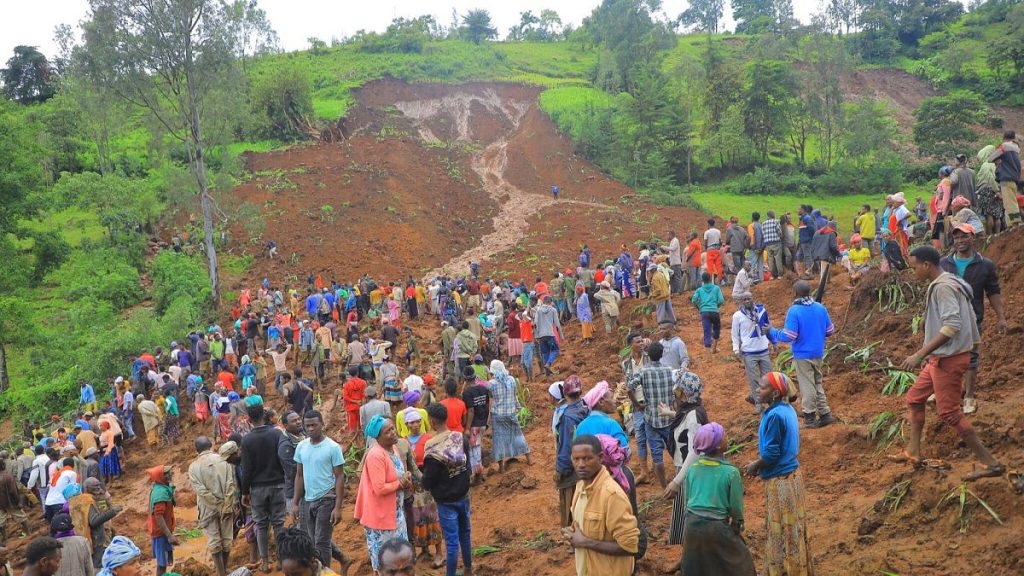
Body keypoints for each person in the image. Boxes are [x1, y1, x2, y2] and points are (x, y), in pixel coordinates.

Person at [894, 246, 1005, 482]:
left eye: (915, 266)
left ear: (927, 265)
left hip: (948, 359)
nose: (913, 272)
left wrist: (919, 354)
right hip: (940, 358)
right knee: (914, 399)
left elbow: (952, 325)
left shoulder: (943, 287)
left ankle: (991, 463)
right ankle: (913, 451)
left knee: (950, 414)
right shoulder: (950, 280)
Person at [743, 372, 813, 576]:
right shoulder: (786, 409)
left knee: (782, 530)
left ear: (774, 394)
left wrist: (755, 465)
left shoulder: (773, 416)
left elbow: (772, 454)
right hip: (793, 475)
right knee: (794, 528)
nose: (757, 389)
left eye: (762, 387)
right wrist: (760, 402)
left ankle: (785, 571)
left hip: (780, 481)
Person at [939, 223, 1008, 415]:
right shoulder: (944, 263)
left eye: (964, 237)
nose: (960, 241)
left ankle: (969, 396)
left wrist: (1001, 317)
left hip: (973, 317)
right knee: (944, 353)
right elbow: (936, 290)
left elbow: (993, 292)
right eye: (957, 237)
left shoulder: (985, 265)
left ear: (973, 237)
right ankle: (946, 392)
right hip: (947, 317)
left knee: (971, 356)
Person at [678, 423, 756, 575]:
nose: (727, 438)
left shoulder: (693, 469)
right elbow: (736, 508)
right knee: (741, 562)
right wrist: (737, 525)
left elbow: (687, 501)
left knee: (696, 566)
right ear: (719, 445)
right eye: (724, 436)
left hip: (692, 526)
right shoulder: (731, 473)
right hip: (716, 528)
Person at [562, 435, 640, 576]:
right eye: (576, 459)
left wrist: (585, 542)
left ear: (601, 457)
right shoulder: (580, 488)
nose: (580, 464)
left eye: (587, 458)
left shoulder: (612, 495)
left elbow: (630, 546)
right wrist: (573, 538)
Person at [770, 281, 838, 429]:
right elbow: (830, 331)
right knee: (817, 381)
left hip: (803, 354)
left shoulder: (794, 311)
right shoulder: (820, 308)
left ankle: (810, 416)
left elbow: (789, 335)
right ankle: (825, 413)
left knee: (807, 383)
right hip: (818, 352)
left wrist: (772, 331)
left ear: (795, 294)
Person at [292, 411, 351, 576]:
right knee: (312, 540)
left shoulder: (332, 447)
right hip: (307, 500)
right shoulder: (302, 447)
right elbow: (299, 475)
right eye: (307, 425)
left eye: (314, 425)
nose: (310, 428)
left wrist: (338, 507)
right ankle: (340, 561)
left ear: (322, 424)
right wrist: (295, 503)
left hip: (326, 498)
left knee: (322, 542)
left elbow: (340, 477)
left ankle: (324, 573)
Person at [420, 404, 473, 576]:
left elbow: (428, 481)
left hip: (446, 501)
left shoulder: (431, 447)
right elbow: (468, 466)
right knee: (465, 534)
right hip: (464, 495)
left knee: (451, 543)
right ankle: (467, 569)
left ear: (432, 421)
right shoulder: (460, 437)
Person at [354, 416, 411, 574]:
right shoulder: (376, 455)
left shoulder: (394, 450)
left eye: (393, 428)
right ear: (378, 437)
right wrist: (401, 483)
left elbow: (398, 474)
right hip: (380, 518)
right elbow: (379, 488)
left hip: (395, 513)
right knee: (385, 561)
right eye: (387, 431)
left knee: (398, 557)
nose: (393, 433)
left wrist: (405, 478)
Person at [660, 371, 709, 547]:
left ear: (684, 394)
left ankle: (689, 557)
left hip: (688, 471)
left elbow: (695, 451)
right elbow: (686, 421)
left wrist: (677, 481)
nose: (675, 394)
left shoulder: (693, 416)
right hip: (686, 470)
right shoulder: (693, 410)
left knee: (688, 516)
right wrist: (669, 413)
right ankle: (686, 556)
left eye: (678, 391)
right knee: (684, 515)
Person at [240, 404, 287, 572]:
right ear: (264, 415)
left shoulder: (246, 440)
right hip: (278, 484)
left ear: (249, 419)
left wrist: (245, 492)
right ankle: (281, 560)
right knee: (279, 524)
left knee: (261, 525)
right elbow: (283, 459)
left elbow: (247, 470)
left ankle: (265, 562)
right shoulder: (276, 434)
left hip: (257, 488)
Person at [398, 409, 443, 569]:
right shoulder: (403, 442)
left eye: (417, 421)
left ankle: (438, 552)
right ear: (406, 424)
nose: (415, 425)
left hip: (427, 481)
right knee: (415, 517)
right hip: (411, 486)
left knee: (431, 515)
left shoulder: (428, 439)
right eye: (412, 422)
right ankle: (423, 548)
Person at [627, 343, 675, 488]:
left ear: (649, 354)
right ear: (662, 354)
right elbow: (678, 388)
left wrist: (637, 405)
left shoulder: (643, 371)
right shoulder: (669, 370)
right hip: (668, 416)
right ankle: (681, 479)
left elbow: (629, 387)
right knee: (674, 450)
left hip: (651, 418)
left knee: (657, 455)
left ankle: (664, 487)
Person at [187, 437, 237, 576]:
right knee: (227, 539)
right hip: (226, 505)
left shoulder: (193, 467)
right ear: (211, 445)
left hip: (207, 508)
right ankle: (224, 569)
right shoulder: (223, 460)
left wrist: (215, 503)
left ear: (196, 450)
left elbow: (201, 491)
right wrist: (225, 503)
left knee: (214, 540)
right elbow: (230, 483)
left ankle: (220, 572)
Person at [732, 294, 774, 413]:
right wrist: (736, 350)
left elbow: (768, 327)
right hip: (748, 352)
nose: (747, 301)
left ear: (753, 299)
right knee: (754, 379)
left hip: (763, 350)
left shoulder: (762, 311)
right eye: (744, 299)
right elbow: (735, 334)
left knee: (768, 378)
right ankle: (758, 404)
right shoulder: (737, 316)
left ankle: (770, 401)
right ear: (741, 302)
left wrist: (774, 342)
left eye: (749, 298)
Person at [487, 361, 531, 472]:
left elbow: (491, 400)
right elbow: (514, 395)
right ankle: (529, 459)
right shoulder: (511, 380)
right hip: (511, 413)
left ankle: (501, 468)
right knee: (518, 436)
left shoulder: (491, 384)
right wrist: (518, 407)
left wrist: (488, 418)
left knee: (499, 440)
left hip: (498, 415)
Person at [986, 130, 1023, 226]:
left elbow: (990, 159)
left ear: (1004, 137)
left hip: (1006, 179)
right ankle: (1010, 225)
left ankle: (1015, 224)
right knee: (1010, 202)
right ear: (1013, 137)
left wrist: (997, 160)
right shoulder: (1016, 148)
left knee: (1009, 204)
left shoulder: (1004, 146)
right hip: (1014, 180)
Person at [575, 381, 627, 448]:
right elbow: (625, 451)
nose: (614, 401)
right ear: (601, 401)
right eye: (611, 398)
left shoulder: (580, 427)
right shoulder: (611, 424)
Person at [146, 466, 177, 576]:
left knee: (163, 562)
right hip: (161, 533)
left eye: (170, 473)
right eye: (166, 474)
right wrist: (169, 536)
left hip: (162, 531)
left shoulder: (162, 488)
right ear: (159, 477)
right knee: (162, 564)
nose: (170, 475)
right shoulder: (160, 493)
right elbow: (159, 517)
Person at [691, 272, 725, 357]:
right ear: (710, 279)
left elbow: (694, 300)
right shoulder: (716, 288)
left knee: (707, 331)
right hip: (714, 311)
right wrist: (716, 306)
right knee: (717, 328)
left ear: (702, 280)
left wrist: (699, 307)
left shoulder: (699, 290)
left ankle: (708, 354)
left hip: (704, 312)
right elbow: (721, 300)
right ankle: (714, 348)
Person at [533, 296, 563, 376]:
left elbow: (535, 323)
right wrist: (561, 336)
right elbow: (557, 324)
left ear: (543, 302)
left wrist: (536, 335)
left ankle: (547, 374)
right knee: (555, 350)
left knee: (545, 353)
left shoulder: (538, 310)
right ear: (550, 302)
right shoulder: (553, 310)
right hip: (550, 334)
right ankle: (548, 364)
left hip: (541, 336)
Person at [0, 460, 28, 540]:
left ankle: (5, 536)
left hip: (1, 504)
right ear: (3, 465)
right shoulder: (8, 476)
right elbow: (13, 491)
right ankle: (27, 532)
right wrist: (18, 501)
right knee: (21, 517)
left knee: (0, 521)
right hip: (10, 502)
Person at [648, 261, 675, 325]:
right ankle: (673, 322)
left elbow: (658, 290)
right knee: (670, 311)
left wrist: (652, 295)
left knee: (660, 313)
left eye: (650, 271)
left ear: (652, 270)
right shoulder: (661, 274)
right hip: (666, 295)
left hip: (660, 298)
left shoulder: (654, 278)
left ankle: (661, 325)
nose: (649, 272)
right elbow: (667, 283)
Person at [703, 219, 723, 285]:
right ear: (714, 224)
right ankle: (719, 280)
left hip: (710, 250)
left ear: (708, 224)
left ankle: (710, 282)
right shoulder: (718, 231)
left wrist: (706, 248)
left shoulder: (707, 232)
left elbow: (705, 243)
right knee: (718, 266)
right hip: (717, 250)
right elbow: (720, 241)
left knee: (710, 267)